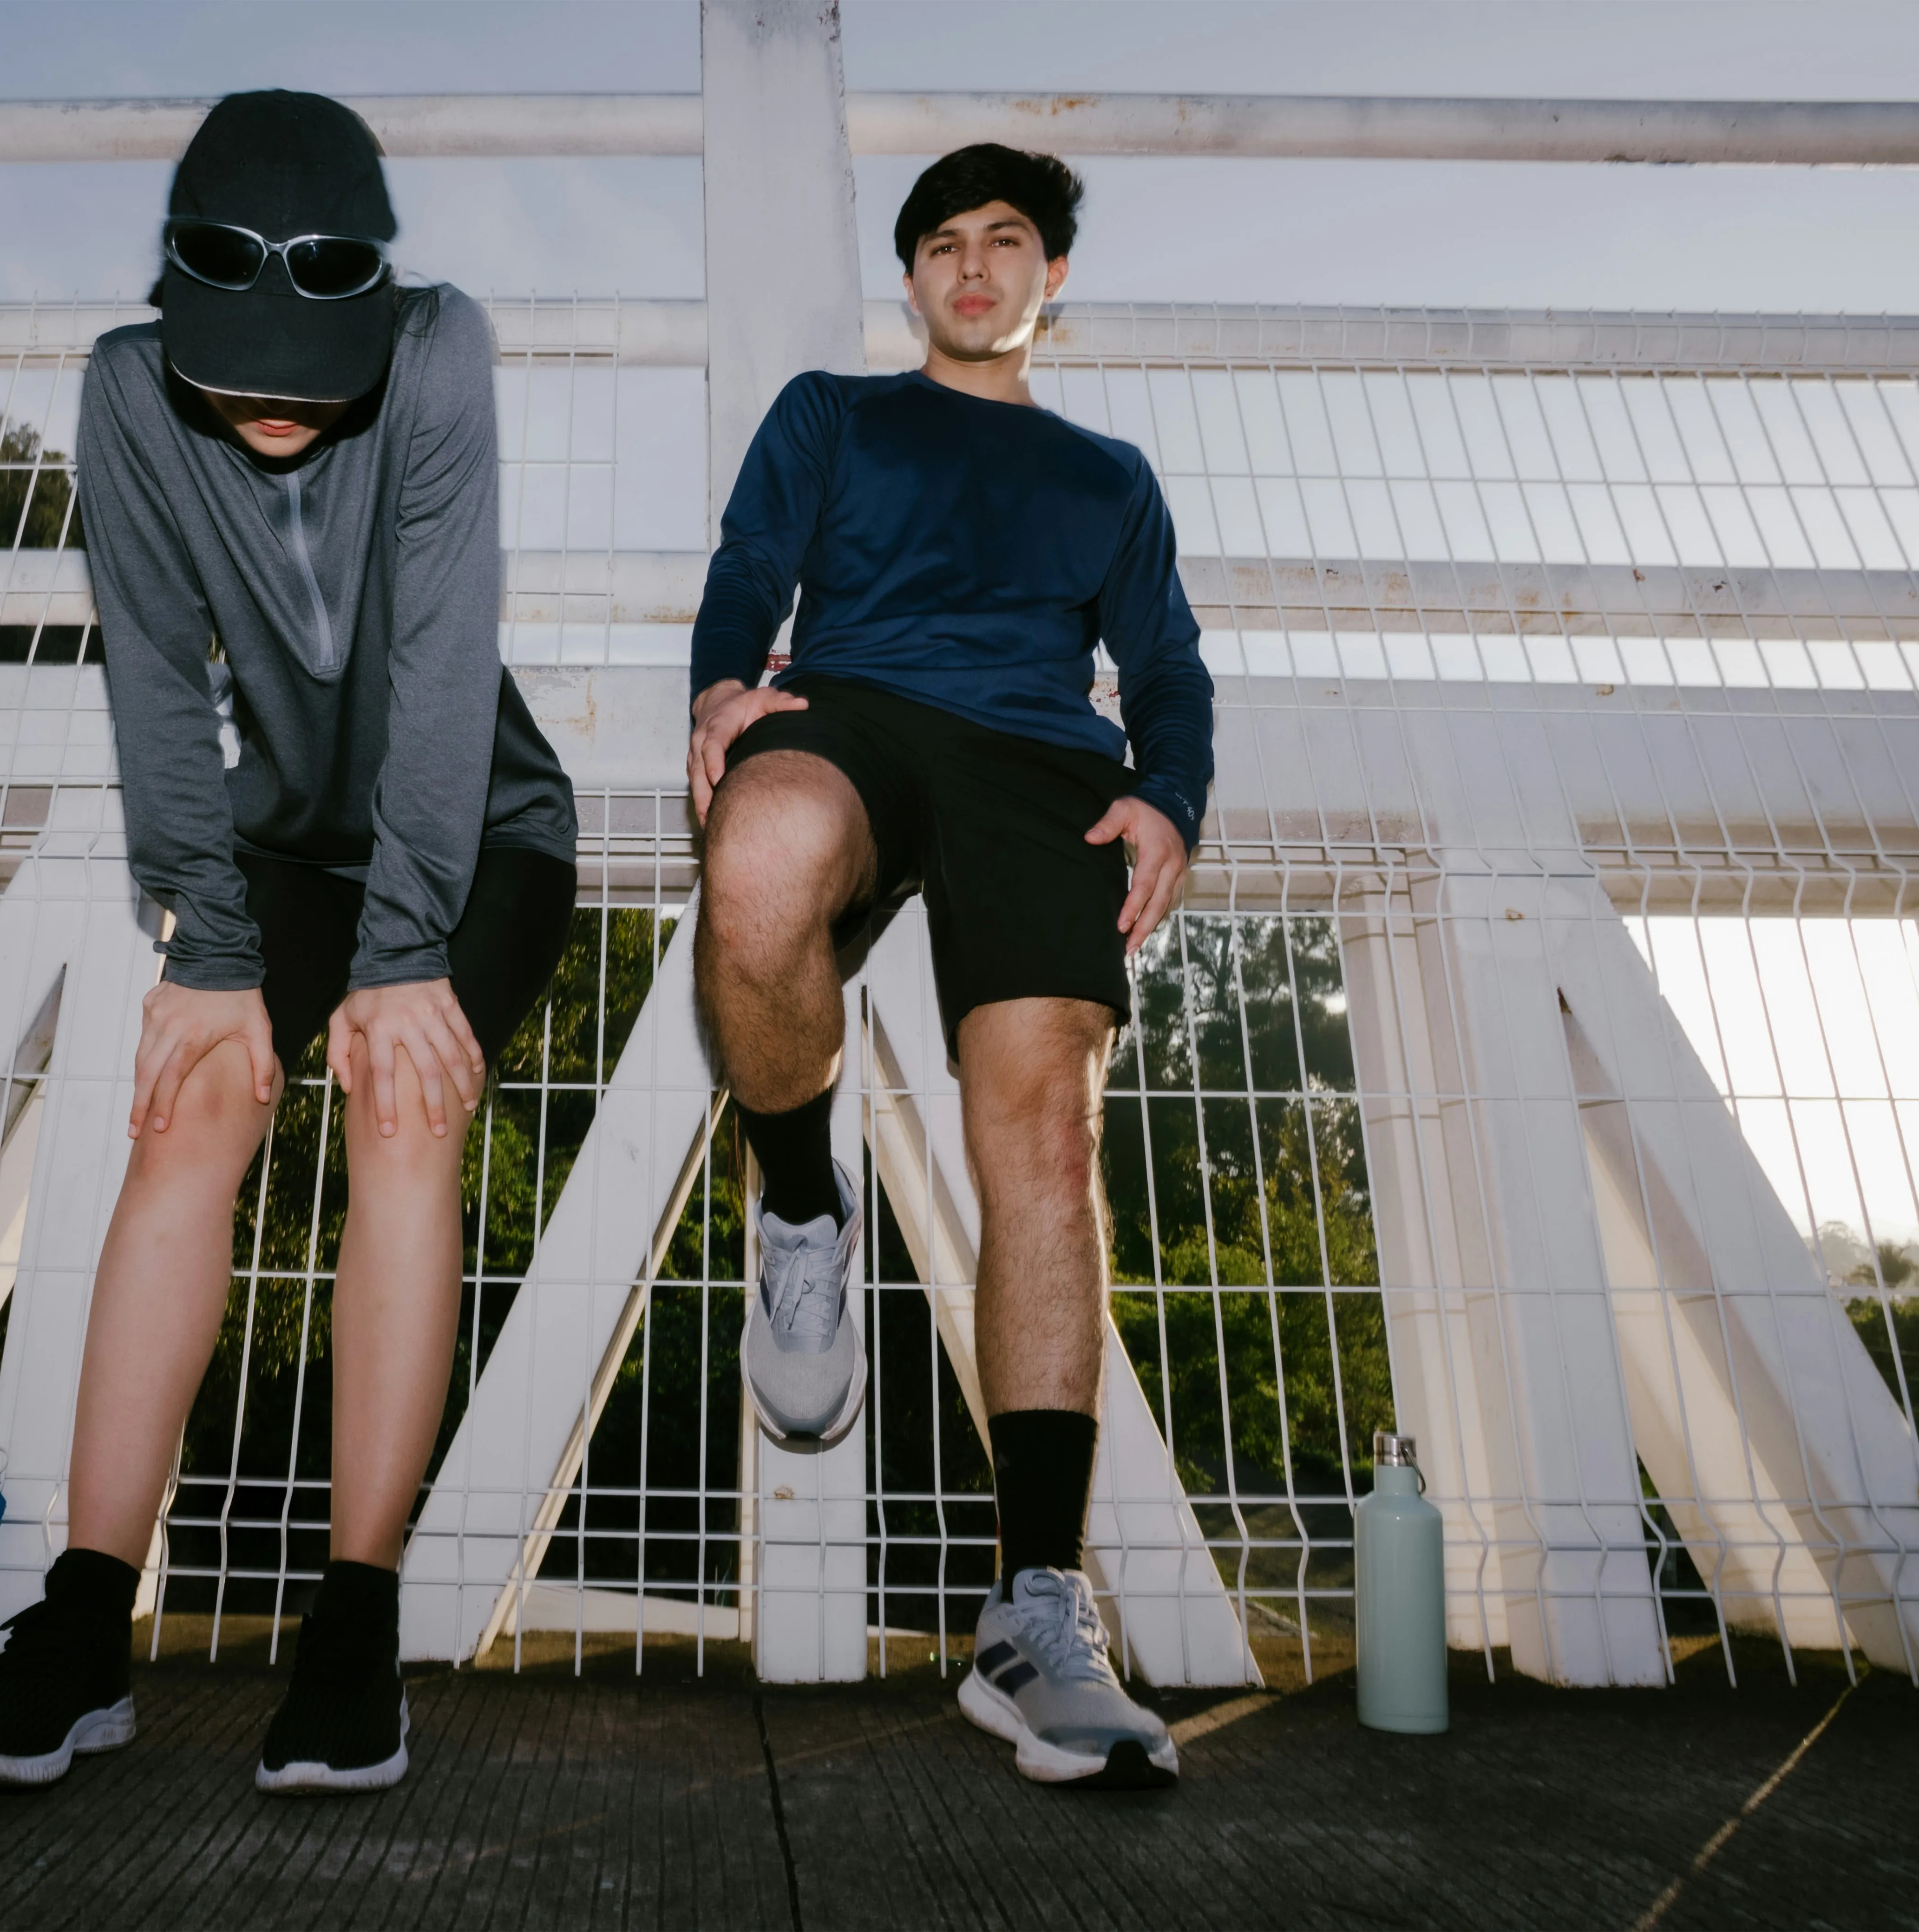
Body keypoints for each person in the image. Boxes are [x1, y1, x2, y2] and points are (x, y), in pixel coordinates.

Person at [0, 91, 578, 1795]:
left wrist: (406, 948)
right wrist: (210, 947)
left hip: (475, 839)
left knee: (403, 1106)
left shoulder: (440, 357)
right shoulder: (129, 390)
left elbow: (440, 660)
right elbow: (151, 672)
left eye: (307, 358)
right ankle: (80, 1619)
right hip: (282, 849)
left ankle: (352, 1626)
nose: (271, 394)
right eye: (240, 357)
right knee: (186, 1108)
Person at [688, 144, 1212, 1789]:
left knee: (1046, 1127)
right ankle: (797, 1206)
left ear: (1052, 277)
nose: (972, 270)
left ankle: (1035, 1615)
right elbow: (742, 576)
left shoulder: (1110, 478)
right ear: (910, 279)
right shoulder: (833, 415)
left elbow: (1172, 666)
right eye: (941, 247)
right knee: (762, 858)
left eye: (1006, 244)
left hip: (1041, 767)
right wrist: (719, 687)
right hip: (857, 715)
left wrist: (1166, 793)